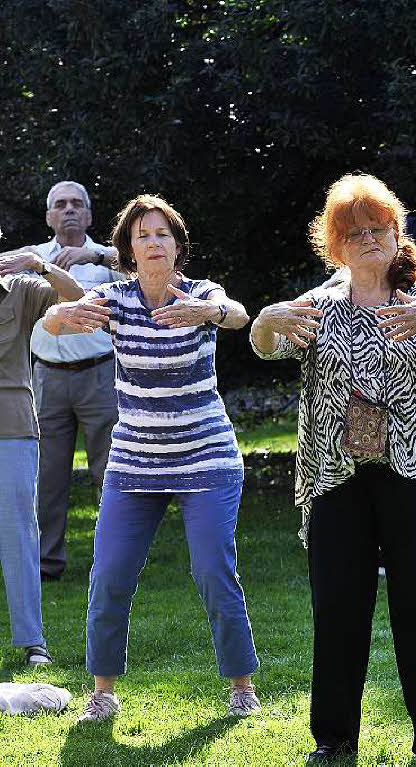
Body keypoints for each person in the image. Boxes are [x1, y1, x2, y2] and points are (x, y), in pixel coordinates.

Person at [250, 174, 416, 765]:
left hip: (413, 470)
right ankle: (332, 738)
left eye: (378, 229)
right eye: (354, 233)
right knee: (337, 607)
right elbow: (261, 344)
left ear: (397, 235)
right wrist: (270, 317)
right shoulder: (318, 307)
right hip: (336, 476)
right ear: (336, 246)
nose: (369, 239)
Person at [41, 194, 260, 723]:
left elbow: (237, 315)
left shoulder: (201, 295)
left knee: (212, 570)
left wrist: (209, 310)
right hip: (134, 464)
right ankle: (103, 691)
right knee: (110, 574)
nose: (153, 242)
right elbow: (50, 324)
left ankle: (240, 686)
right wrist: (60, 313)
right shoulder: (114, 299)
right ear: (130, 250)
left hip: (206, 459)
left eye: (162, 233)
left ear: (177, 246)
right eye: (143, 236)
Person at [28, 181, 122, 581]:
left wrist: (96, 252)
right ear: (49, 215)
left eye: (76, 204)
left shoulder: (106, 259)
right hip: (47, 378)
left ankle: (113, 561)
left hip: (100, 375)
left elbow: (144, 265)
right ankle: (47, 564)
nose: (68, 210)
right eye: (60, 204)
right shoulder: (34, 260)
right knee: (47, 476)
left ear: (88, 214)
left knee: (110, 472)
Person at [0, 229, 83, 667]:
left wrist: (39, 264)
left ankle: (33, 642)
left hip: (11, 424)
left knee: (18, 532)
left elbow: (76, 296)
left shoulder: (22, 288)